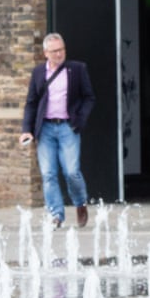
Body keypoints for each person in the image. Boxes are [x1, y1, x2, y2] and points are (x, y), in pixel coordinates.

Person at [20, 33, 96, 229]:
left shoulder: (77, 69)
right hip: (45, 128)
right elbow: (31, 103)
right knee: (48, 174)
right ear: (46, 53)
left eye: (62, 49)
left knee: (72, 172)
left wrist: (80, 120)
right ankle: (56, 215)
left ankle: (80, 204)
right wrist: (26, 129)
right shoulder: (38, 73)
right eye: (54, 51)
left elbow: (89, 97)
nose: (59, 54)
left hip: (68, 127)